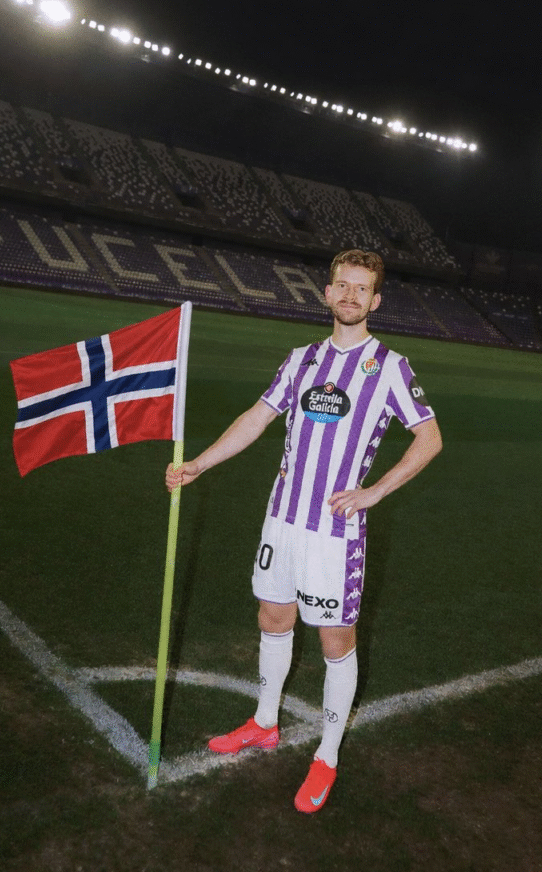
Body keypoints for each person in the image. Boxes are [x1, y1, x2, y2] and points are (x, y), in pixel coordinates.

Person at [165, 249, 442, 812]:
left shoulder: (389, 366)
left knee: (335, 640)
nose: (350, 296)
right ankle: (265, 723)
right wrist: (198, 464)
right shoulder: (302, 359)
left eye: (361, 289)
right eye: (342, 285)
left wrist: (373, 492)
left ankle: (327, 756)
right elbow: (257, 417)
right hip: (282, 521)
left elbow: (429, 437)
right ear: (327, 292)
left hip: (334, 534)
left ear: (375, 301)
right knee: (272, 617)